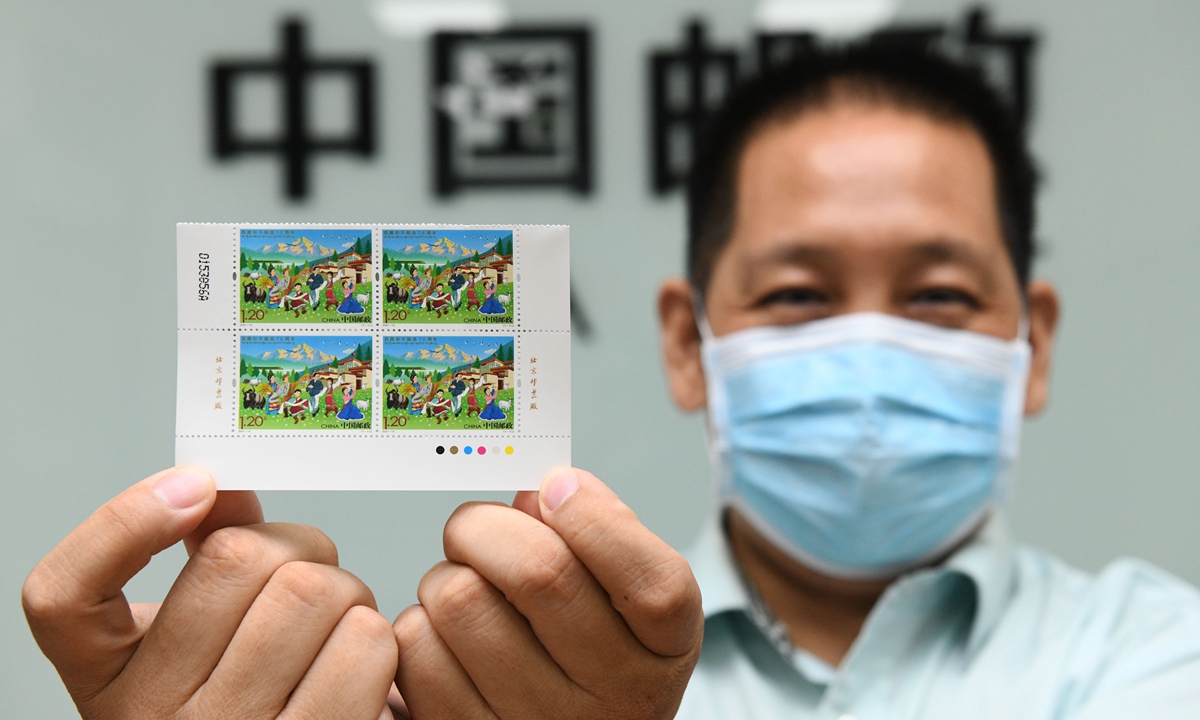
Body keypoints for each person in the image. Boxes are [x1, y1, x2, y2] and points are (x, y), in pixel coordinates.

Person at [23, 41, 1200, 720]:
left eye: (940, 296)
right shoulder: (487, 685)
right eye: (795, 295)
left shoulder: (1162, 660)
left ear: (1031, 342)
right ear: (688, 344)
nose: (868, 351)